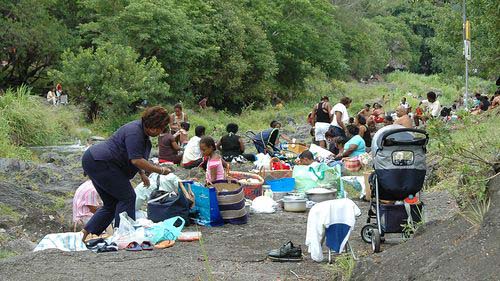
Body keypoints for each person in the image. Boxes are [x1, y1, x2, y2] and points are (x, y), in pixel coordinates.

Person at [81, 106, 171, 241]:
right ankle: (124, 236)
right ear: (153, 127)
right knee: (127, 197)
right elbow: (136, 160)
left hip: (95, 160)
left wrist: (142, 174)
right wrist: (160, 170)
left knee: (111, 204)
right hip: (101, 161)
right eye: (161, 128)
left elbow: (134, 155)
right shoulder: (135, 132)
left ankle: (86, 234)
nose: (160, 132)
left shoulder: (141, 132)